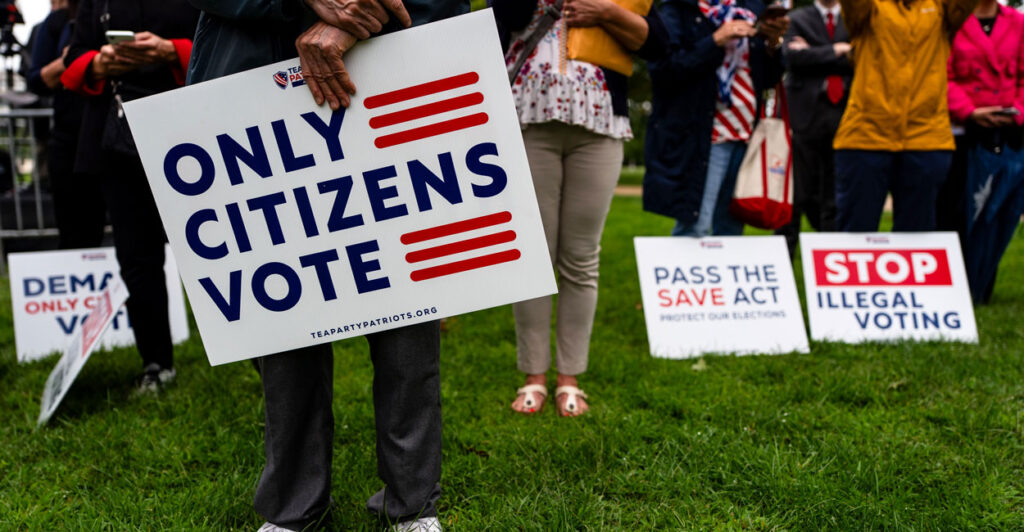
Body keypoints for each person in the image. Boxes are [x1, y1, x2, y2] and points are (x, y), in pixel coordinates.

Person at [186, 1, 467, 530]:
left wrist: (351, 19)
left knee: (404, 293)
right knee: (284, 306)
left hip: (391, 70)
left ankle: (411, 502)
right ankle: (294, 507)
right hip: (248, 91)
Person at [492, 0, 667, 417]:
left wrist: (606, 12)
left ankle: (570, 377)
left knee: (582, 256)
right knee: (535, 256)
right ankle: (534, 375)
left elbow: (658, 43)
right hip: (530, 117)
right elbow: (507, 17)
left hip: (601, 122)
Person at [60, 0, 198, 391]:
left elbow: (229, 48)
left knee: (221, 249)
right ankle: (156, 363)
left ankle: (261, 355)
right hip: (117, 141)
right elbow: (72, 66)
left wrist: (173, 51)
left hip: (190, 133)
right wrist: (100, 64)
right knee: (137, 258)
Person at [643, 0, 788, 238]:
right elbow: (665, 71)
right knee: (695, 228)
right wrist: (716, 40)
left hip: (746, 135)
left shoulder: (751, 9)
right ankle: (687, 274)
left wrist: (773, 42)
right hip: (704, 135)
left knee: (731, 229)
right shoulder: (679, 9)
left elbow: (770, 78)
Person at [832, 0, 977, 232]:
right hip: (865, 136)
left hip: (926, 138)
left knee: (917, 238)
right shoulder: (871, 7)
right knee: (855, 237)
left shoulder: (941, 8)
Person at [937, 0, 1024, 302]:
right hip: (962, 132)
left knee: (996, 211)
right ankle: (954, 285)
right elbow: (941, 74)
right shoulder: (949, 20)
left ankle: (981, 284)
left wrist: (1017, 113)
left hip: (1008, 132)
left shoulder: (1017, 22)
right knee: (957, 210)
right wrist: (970, 111)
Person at [26, 0, 107, 250]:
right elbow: (35, 80)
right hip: (67, 136)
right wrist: (72, 61)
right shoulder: (56, 23)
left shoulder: (108, 13)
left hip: (106, 133)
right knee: (71, 226)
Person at [774, 0, 852, 256]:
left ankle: (830, 260)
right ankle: (783, 261)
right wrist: (838, 50)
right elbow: (793, 58)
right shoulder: (796, 18)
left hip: (843, 117)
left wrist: (815, 52)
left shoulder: (853, 18)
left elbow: (862, 57)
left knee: (834, 197)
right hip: (802, 119)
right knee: (795, 195)